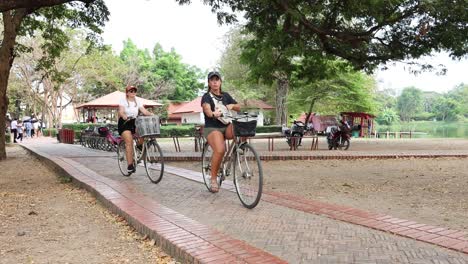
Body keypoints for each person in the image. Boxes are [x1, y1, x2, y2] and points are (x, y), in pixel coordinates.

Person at [201, 71, 240, 193]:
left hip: (226, 125)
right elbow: (206, 109)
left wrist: (232, 106)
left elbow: (238, 106)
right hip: (212, 127)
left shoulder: (226, 96)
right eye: (212, 80)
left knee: (241, 128)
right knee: (220, 150)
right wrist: (213, 113)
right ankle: (213, 178)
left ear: (220, 82)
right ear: (209, 83)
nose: (214, 82)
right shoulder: (206, 97)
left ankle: (241, 148)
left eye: (217, 80)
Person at [118, 85, 153, 174]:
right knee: (129, 141)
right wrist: (123, 115)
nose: (133, 93)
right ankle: (130, 165)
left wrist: (152, 115)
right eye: (131, 91)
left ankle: (138, 147)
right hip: (124, 123)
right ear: (127, 93)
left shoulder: (138, 100)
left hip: (134, 122)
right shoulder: (123, 100)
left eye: (134, 91)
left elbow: (144, 111)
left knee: (144, 133)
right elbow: (121, 111)